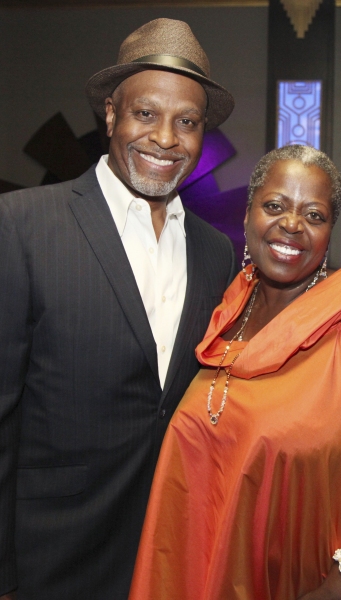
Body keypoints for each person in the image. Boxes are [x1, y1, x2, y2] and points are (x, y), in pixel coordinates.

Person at [0, 18, 237, 600]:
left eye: (187, 122)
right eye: (145, 114)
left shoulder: (215, 251)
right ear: (111, 115)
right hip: (49, 558)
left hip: (172, 554)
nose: (165, 138)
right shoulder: (23, 224)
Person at [129, 144, 341, 600]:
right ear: (247, 217)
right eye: (274, 206)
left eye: (314, 215)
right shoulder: (227, 303)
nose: (292, 224)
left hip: (304, 581)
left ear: (329, 234)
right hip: (196, 570)